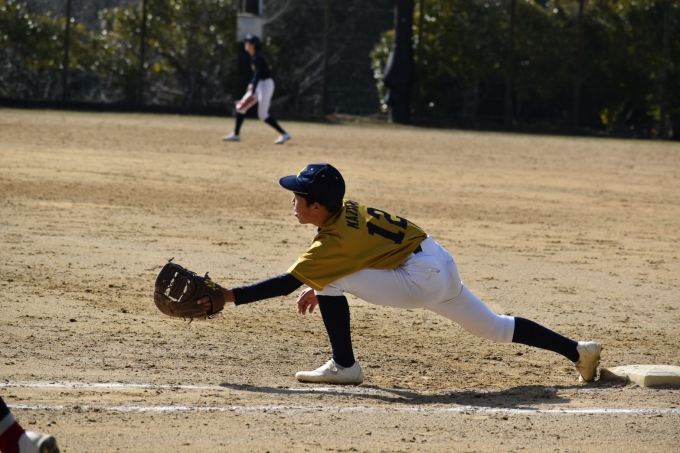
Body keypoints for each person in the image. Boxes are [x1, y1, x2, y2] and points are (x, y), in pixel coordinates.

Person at [199, 163, 602, 385]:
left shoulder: (332, 242)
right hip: (439, 261)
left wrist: (225, 296)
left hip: (419, 279)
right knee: (496, 326)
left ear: (318, 207)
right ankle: (578, 351)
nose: (292, 200)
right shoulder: (348, 209)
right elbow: (363, 254)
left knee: (331, 279)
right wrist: (319, 281)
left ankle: (344, 365)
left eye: (298, 196)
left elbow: (286, 284)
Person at [222, 35, 291, 145]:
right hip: (259, 84)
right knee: (240, 107)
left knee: (262, 114)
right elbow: (257, 74)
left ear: (253, 45)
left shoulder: (258, 57)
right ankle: (236, 134)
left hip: (266, 85)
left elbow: (258, 73)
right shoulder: (254, 56)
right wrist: (253, 85)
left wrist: (253, 87)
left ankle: (284, 134)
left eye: (248, 42)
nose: (246, 44)